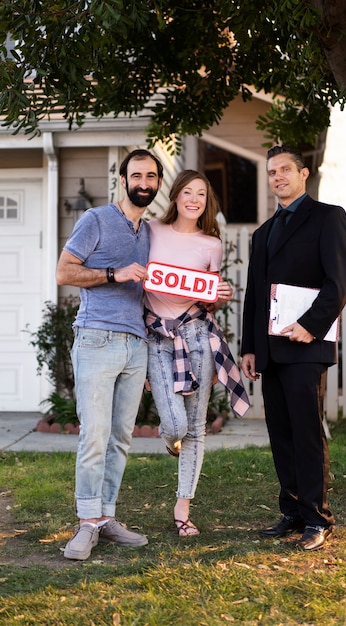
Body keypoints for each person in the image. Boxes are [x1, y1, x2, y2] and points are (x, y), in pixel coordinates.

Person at [241, 145, 346, 551]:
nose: (277, 177)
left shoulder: (327, 217)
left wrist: (310, 326)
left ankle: (316, 518)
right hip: (269, 349)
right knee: (281, 432)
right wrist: (249, 347)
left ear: (303, 174)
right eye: (271, 172)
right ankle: (290, 510)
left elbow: (340, 282)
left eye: (285, 170)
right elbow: (255, 294)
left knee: (307, 432)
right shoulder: (262, 233)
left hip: (306, 345)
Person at [56, 148, 164, 560]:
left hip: (136, 345)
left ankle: (107, 517)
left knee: (121, 438)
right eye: (136, 175)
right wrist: (112, 274)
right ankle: (86, 523)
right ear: (123, 180)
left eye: (151, 177)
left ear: (156, 183)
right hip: (96, 339)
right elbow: (64, 272)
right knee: (95, 436)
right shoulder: (95, 220)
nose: (143, 183)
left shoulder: (151, 233)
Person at [144, 169, 250, 537]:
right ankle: (171, 440)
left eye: (201, 194)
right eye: (187, 192)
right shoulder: (151, 230)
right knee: (174, 426)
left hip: (198, 334)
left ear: (207, 202)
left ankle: (182, 508)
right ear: (175, 196)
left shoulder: (211, 244)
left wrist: (220, 297)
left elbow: (209, 299)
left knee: (196, 427)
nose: (194, 199)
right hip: (157, 337)